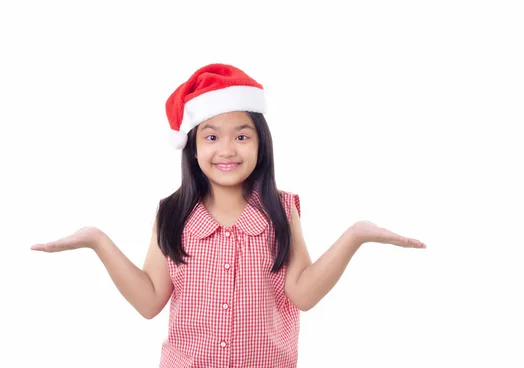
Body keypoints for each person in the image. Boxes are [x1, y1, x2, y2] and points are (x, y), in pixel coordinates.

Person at [30, 63, 426, 367]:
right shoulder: (171, 213)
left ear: (260, 144)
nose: (227, 150)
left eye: (241, 135)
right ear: (193, 147)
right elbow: (150, 301)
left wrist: (356, 234)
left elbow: (302, 294)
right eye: (212, 136)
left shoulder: (282, 209)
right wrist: (98, 240)